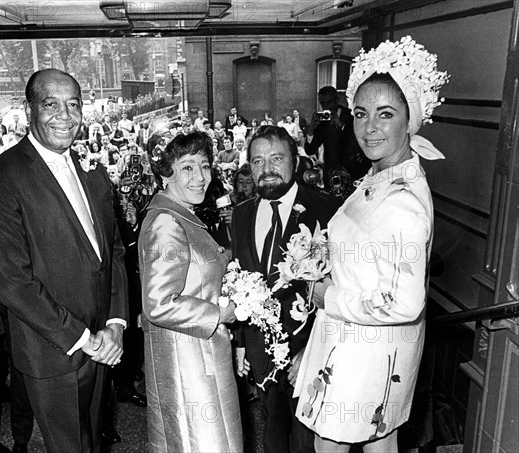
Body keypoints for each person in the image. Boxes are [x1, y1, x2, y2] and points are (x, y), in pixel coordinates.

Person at [293, 36, 450, 452]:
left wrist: (327, 296)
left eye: (385, 114)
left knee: (331, 447)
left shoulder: (404, 202)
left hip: (365, 353)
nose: (369, 127)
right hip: (367, 349)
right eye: (361, 114)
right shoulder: (385, 175)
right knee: (381, 443)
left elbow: (405, 303)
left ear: (409, 121)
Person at [0, 68, 129, 453]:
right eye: (51, 104)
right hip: (54, 354)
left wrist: (115, 324)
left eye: (73, 104)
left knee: (92, 443)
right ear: (30, 110)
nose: (65, 115)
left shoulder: (92, 173)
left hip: (102, 346)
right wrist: (81, 338)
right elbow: (11, 281)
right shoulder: (0, 178)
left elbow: (113, 254)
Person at [230, 125, 339, 453]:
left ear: (295, 160)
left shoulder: (327, 211)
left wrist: (313, 351)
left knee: (308, 441)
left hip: (310, 352)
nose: (266, 170)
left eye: (276, 158)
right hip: (261, 352)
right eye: (257, 161)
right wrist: (239, 344)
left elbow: (339, 290)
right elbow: (237, 281)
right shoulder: (241, 214)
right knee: (272, 436)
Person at [138, 131, 243, 452]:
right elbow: (158, 304)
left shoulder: (182, 216)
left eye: (205, 166)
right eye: (187, 167)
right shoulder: (166, 223)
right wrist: (220, 313)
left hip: (200, 357)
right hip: (187, 365)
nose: (200, 177)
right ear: (165, 174)